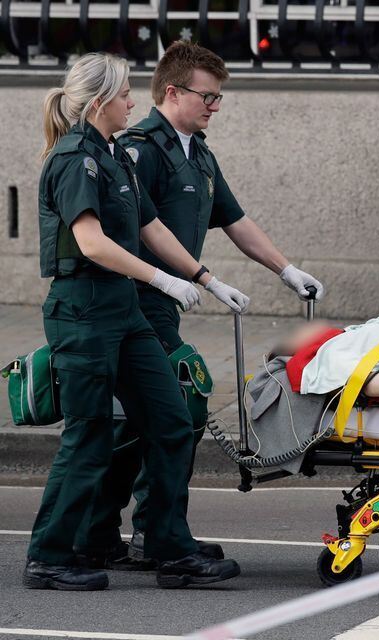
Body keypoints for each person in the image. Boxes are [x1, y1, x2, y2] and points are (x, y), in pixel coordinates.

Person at [77, 41, 326, 570]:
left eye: (218, 99)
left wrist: (285, 269)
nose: (215, 107)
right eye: (207, 97)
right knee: (175, 415)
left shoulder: (199, 152)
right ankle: (151, 535)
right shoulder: (142, 150)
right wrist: (180, 280)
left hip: (166, 303)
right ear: (173, 91)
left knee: (140, 423)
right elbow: (128, 228)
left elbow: (235, 220)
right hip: (137, 301)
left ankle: (103, 532)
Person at [24, 52, 242, 590]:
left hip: (122, 309)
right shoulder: (76, 158)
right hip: (85, 312)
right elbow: (92, 242)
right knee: (90, 434)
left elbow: (150, 226)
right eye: (123, 94)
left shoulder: (115, 155)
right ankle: (49, 556)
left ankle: (169, 548)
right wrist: (163, 281)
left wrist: (205, 278)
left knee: (171, 423)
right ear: (99, 102)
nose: (131, 101)